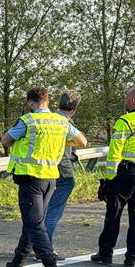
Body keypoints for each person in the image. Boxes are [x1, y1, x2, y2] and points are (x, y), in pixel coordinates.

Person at [2, 87, 87, 267]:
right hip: (51, 179)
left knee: (34, 223)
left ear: (31, 103)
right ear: (48, 102)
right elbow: (82, 141)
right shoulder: (62, 122)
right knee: (34, 221)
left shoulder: (28, 120)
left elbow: (5, 140)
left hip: (30, 178)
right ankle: (18, 260)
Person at [90, 86, 135, 267]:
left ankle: (105, 254)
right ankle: (132, 258)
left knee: (114, 212)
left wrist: (109, 179)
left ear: (131, 101)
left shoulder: (125, 121)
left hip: (129, 172)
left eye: (125, 100)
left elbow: (114, 153)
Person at [43, 90, 83, 257]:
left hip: (44, 169)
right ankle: (46, 249)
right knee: (53, 212)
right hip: (62, 172)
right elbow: (81, 142)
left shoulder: (48, 119)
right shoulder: (66, 124)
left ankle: (33, 244)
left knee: (40, 211)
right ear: (74, 109)